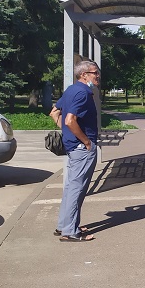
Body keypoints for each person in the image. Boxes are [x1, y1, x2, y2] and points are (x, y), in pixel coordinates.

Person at [55, 60, 101, 241]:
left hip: (74, 147)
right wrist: (86, 141)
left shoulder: (71, 90)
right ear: (84, 75)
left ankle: (64, 225)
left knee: (70, 187)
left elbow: (54, 112)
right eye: (94, 73)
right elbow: (69, 120)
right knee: (77, 188)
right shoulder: (82, 93)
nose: (97, 76)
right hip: (82, 149)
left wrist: (68, 134)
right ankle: (70, 231)